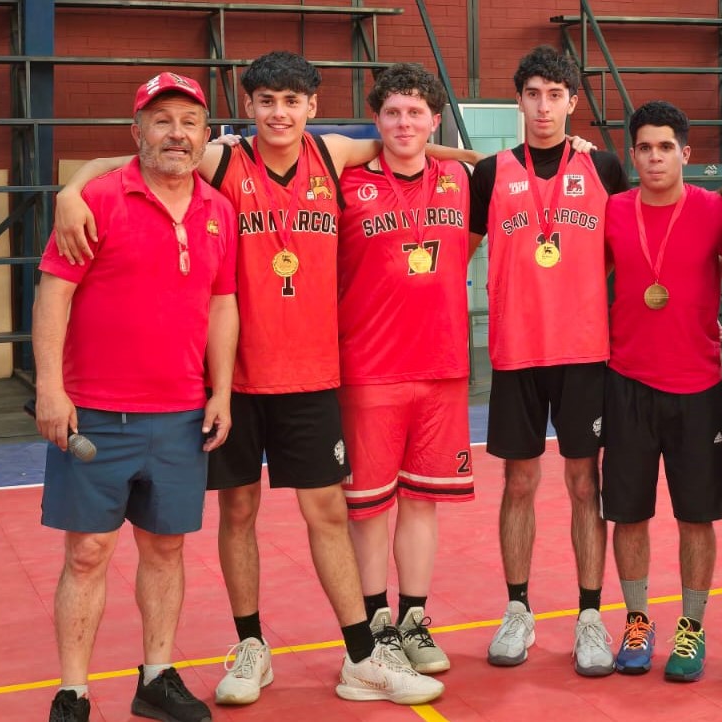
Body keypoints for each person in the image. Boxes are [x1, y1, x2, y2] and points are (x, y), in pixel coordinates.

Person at [52, 51, 457, 706]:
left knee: (325, 510)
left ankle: (361, 655)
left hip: (313, 374)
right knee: (238, 510)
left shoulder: (333, 156)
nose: (279, 113)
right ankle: (251, 646)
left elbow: (411, 140)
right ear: (250, 107)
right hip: (234, 379)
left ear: (312, 108)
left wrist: (475, 162)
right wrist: (71, 190)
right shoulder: (222, 159)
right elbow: (130, 164)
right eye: (267, 101)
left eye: (292, 102)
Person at [39, 72, 239, 722]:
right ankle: (73, 690)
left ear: (205, 137)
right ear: (137, 132)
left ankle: (156, 677)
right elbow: (54, 295)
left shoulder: (219, 212)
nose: (176, 133)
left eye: (189, 122)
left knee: (165, 548)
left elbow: (222, 305)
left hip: (181, 416)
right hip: (97, 412)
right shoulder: (96, 197)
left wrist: (223, 391)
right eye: (162, 120)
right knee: (88, 552)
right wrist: (50, 387)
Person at [468, 44, 629, 676]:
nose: (543, 106)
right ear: (519, 99)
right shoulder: (489, 172)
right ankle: (518, 610)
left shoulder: (606, 168)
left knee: (585, 483)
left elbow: (633, 246)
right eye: (532, 94)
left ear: (572, 101)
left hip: (587, 351)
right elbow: (457, 255)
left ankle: (590, 616)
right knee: (520, 483)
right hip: (515, 354)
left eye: (554, 95)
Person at [335, 63, 475, 675]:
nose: (403, 123)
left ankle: (414, 617)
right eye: (392, 112)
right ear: (376, 118)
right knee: (368, 506)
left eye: (416, 112)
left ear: (434, 119)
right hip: (368, 367)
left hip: (442, 367)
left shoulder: (463, 179)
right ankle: (376, 622)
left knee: (422, 502)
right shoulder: (346, 180)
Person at [601, 101, 722, 682]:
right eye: (645, 148)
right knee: (627, 514)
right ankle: (636, 620)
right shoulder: (612, 210)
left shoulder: (715, 210)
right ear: (633, 155)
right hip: (625, 382)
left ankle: (691, 628)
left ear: (686, 152)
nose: (655, 157)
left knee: (695, 517)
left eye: (665, 147)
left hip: (698, 386)